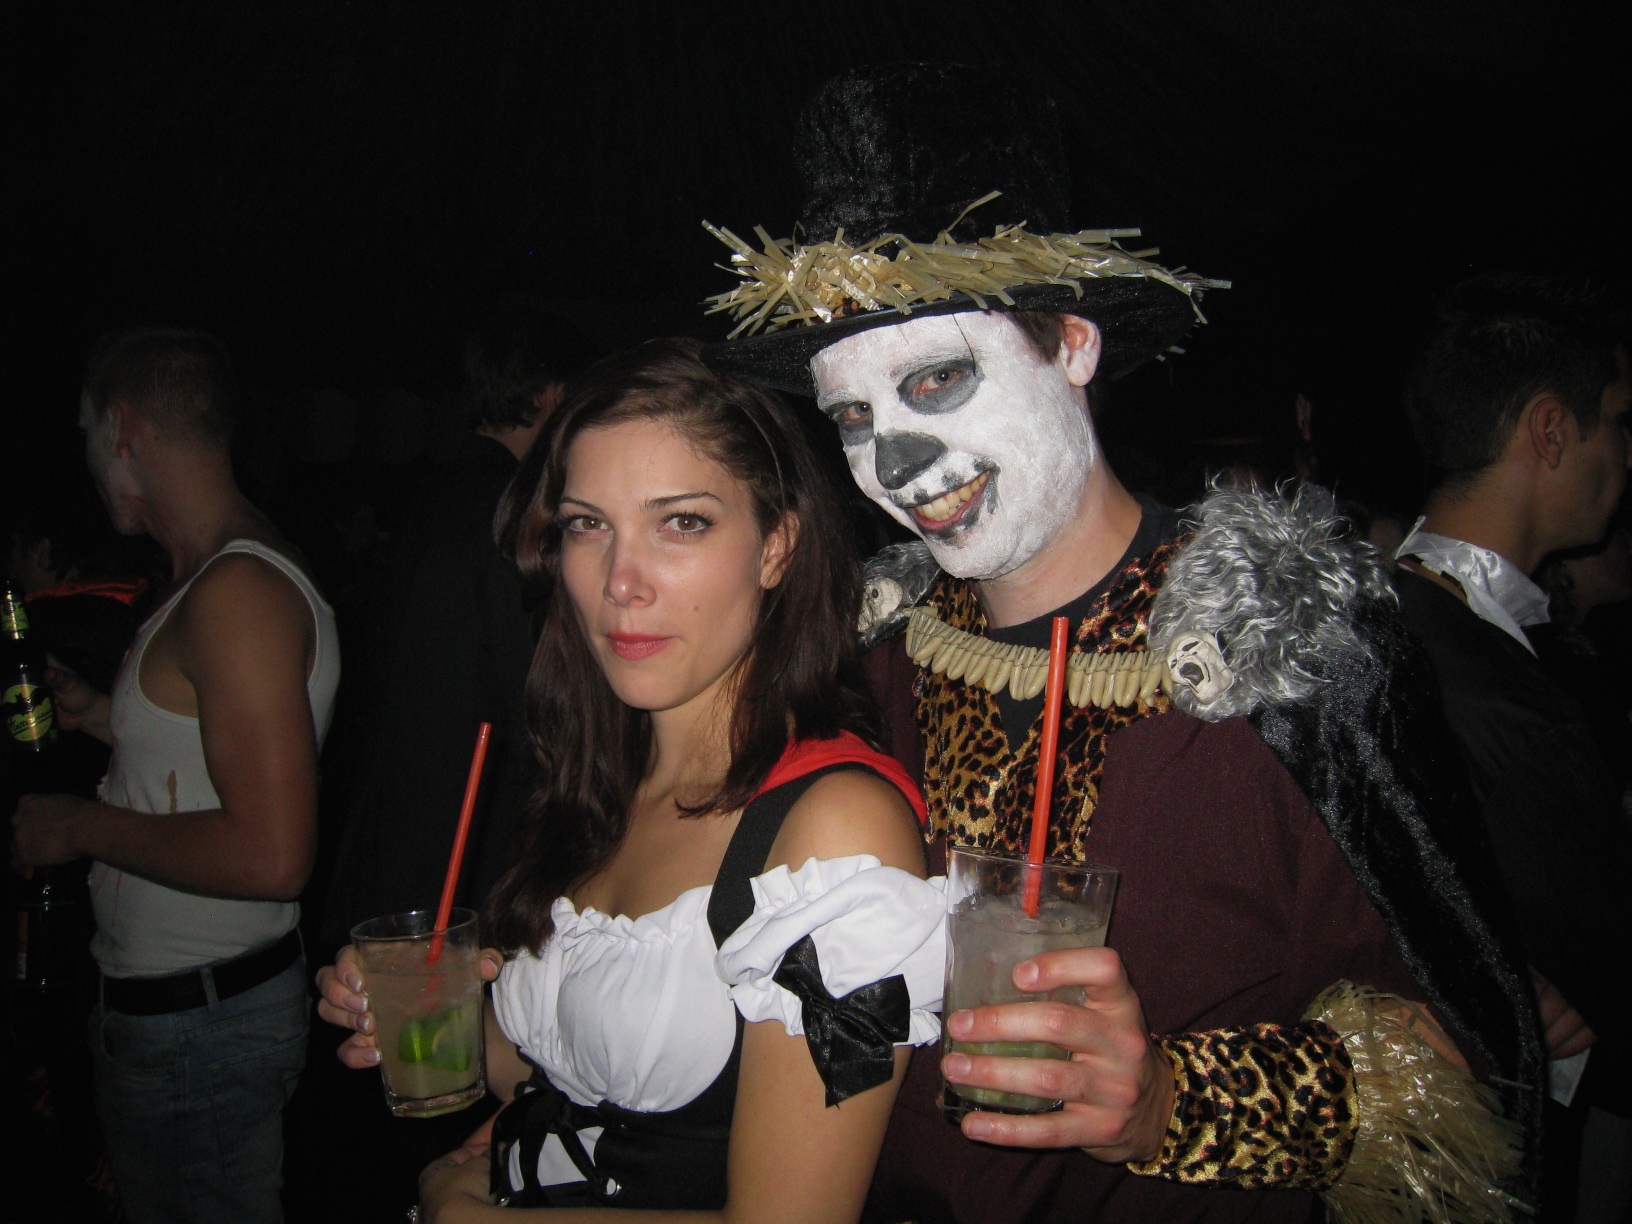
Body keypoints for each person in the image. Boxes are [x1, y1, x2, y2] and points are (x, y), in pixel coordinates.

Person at [703, 64, 1539, 1222]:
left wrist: (1172, 1104)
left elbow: (1461, 1065)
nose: (893, 465)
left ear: (1072, 347)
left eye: (936, 380)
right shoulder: (870, 661)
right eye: (854, 417)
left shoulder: (1284, 661)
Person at [318, 338, 942, 1221]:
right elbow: (571, 1067)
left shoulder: (837, 833)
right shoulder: (600, 780)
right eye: (587, 524)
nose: (620, 582)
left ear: (777, 547)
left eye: (681, 522)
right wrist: (427, 1014)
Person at [10, 327, 340, 1224]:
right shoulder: (208, 578)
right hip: (186, 1022)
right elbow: (205, 756)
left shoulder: (236, 591)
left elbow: (273, 856)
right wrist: (100, 719)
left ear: (122, 428)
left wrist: (75, 825)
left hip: (203, 1030)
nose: (88, 454)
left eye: (87, 431)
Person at [1393, 273, 1632, 1223]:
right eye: (1619, 421)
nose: (1626, 454)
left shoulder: (1384, 612)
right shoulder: (1496, 698)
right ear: (1551, 430)